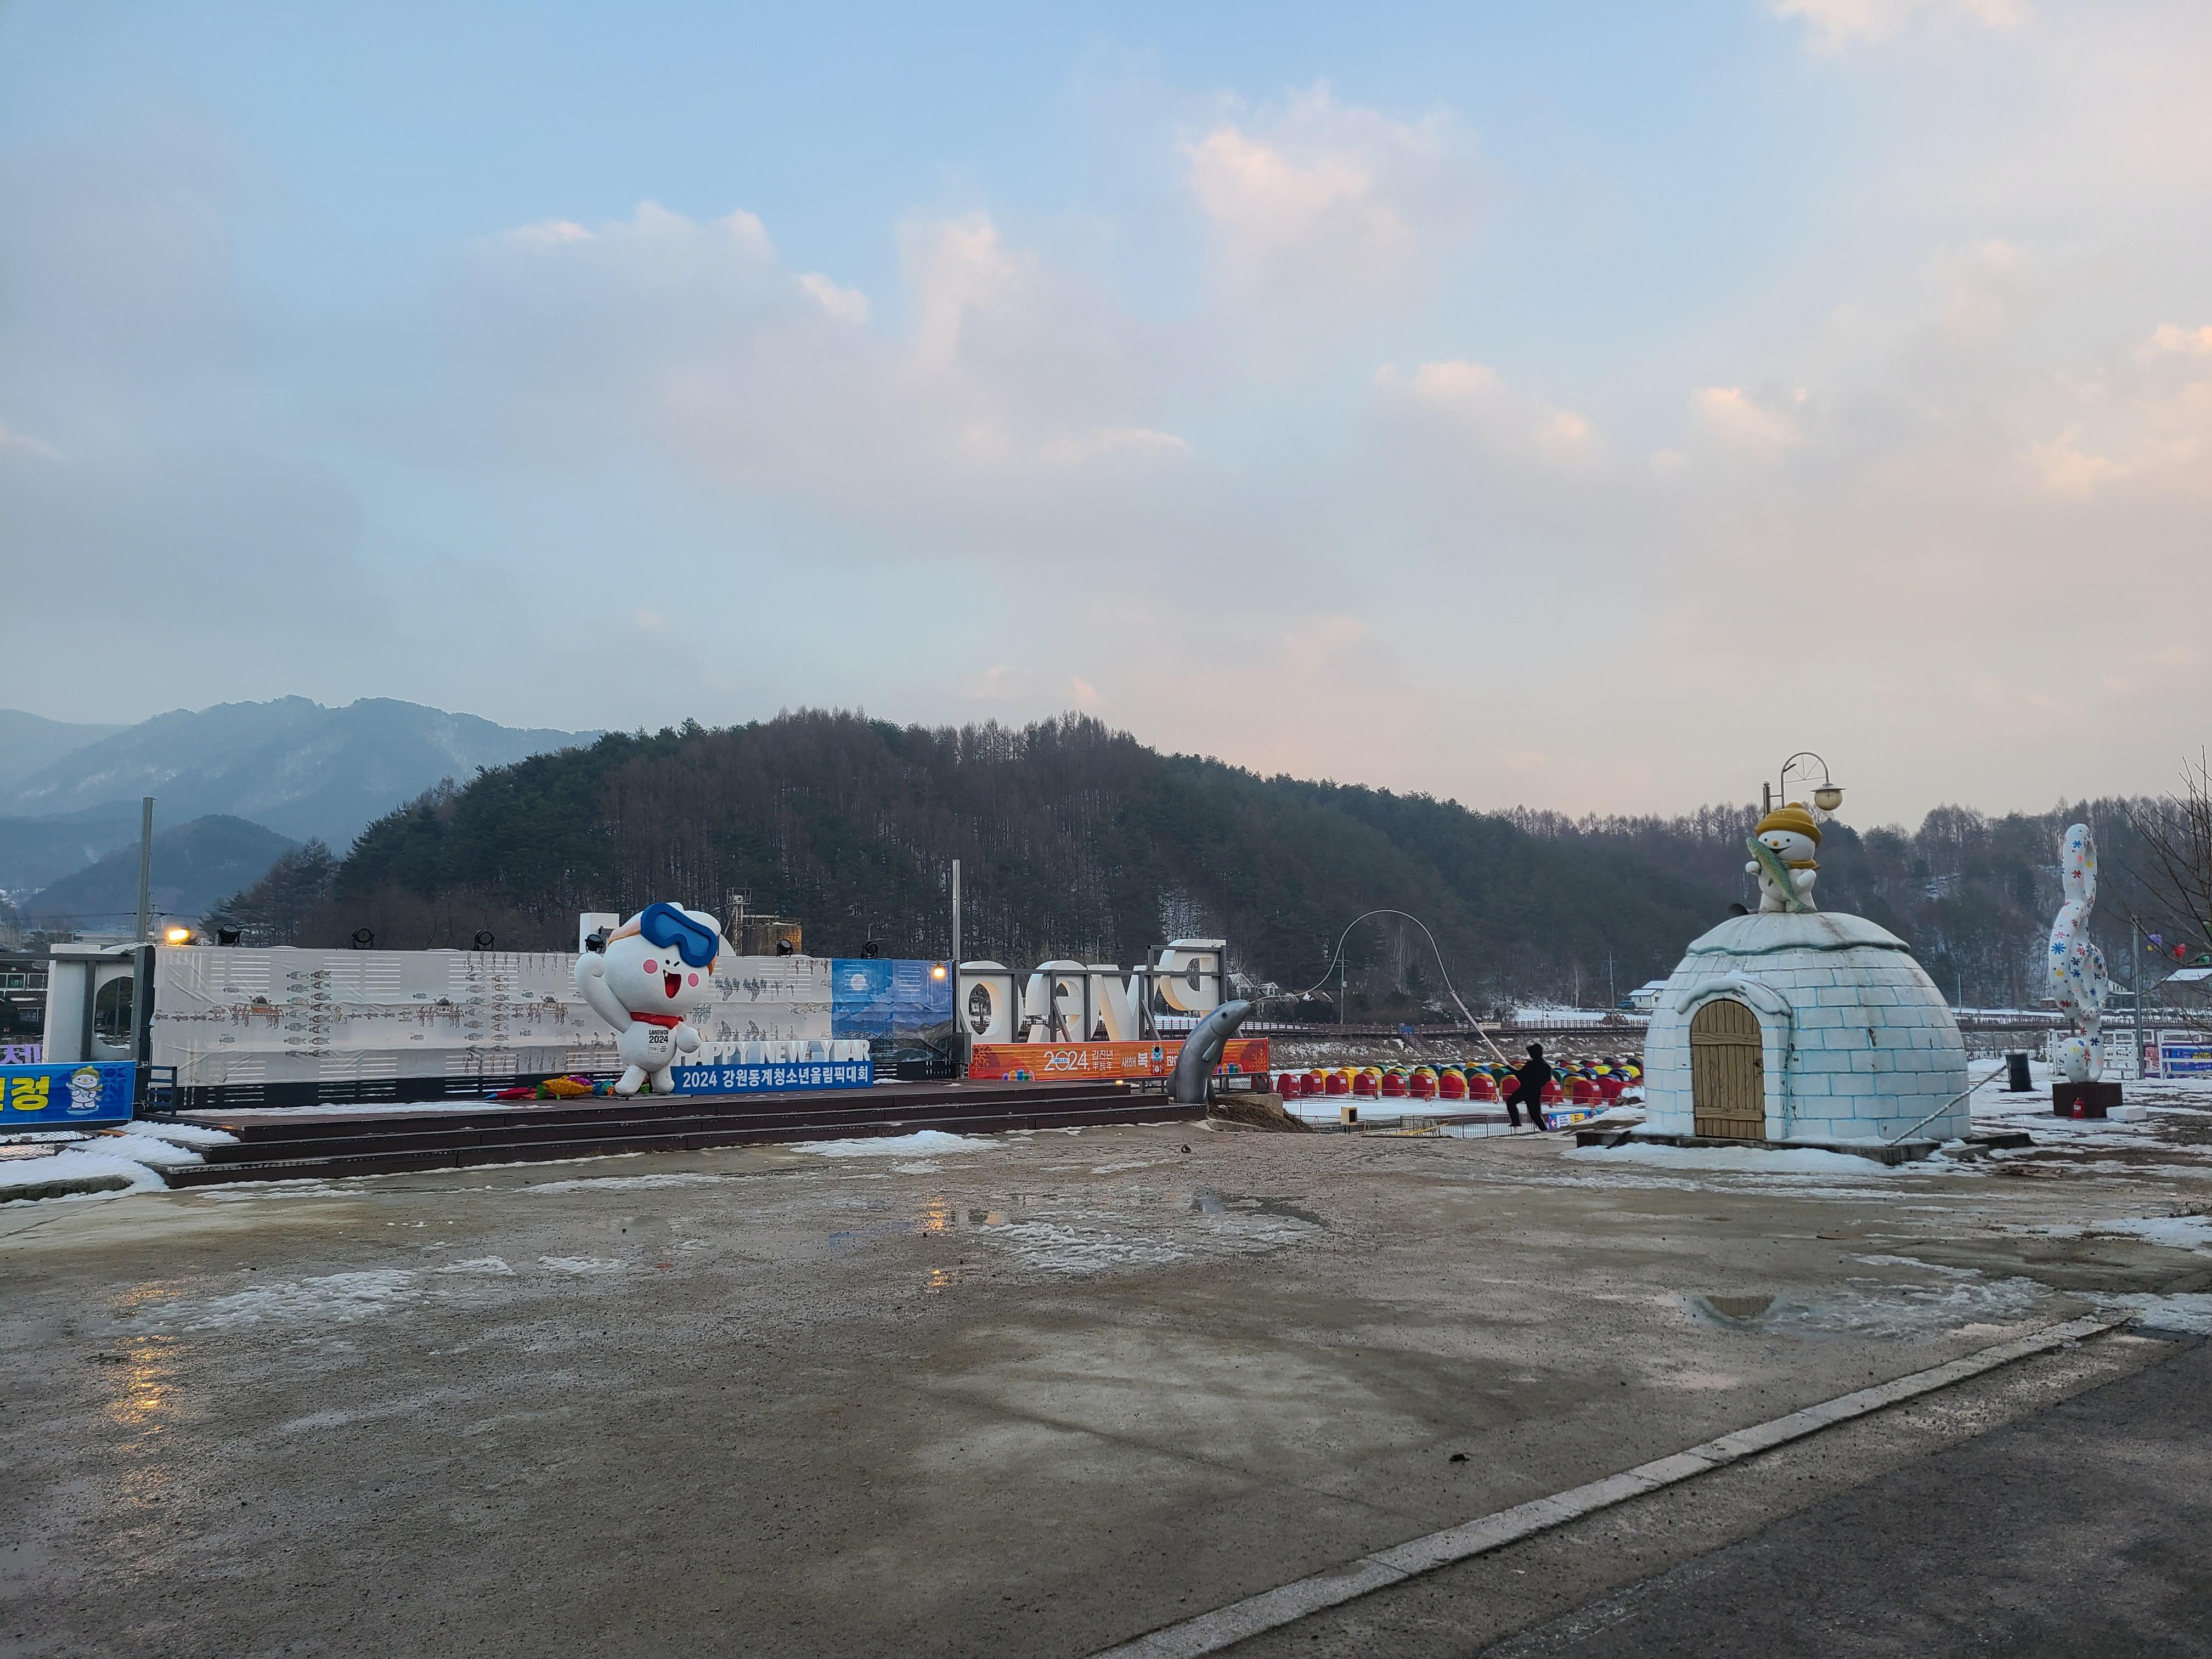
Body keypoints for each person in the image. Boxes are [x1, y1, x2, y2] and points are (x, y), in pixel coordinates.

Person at [1504, 1042, 1553, 1131]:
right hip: (1530, 1090)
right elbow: (1522, 1075)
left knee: (1534, 1114)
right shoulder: (1543, 1066)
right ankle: (1517, 1122)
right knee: (1533, 1113)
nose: (1530, 1055)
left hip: (1530, 1090)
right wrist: (1511, 1069)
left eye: (1531, 1053)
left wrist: (1511, 1069)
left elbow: (1521, 1075)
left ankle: (1543, 1130)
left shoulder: (1537, 1065)